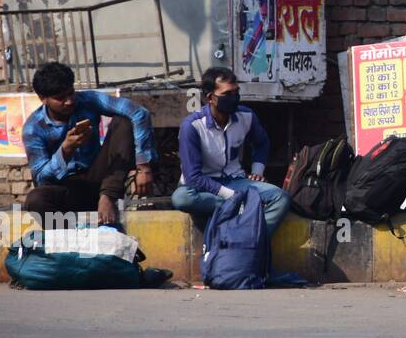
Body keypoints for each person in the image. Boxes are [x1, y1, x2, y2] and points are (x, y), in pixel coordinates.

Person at [22, 61, 156, 227]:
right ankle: (67, 242)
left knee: (124, 121)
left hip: (100, 179)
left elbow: (138, 113)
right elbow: (41, 179)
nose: (69, 101)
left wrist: (144, 167)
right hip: (67, 189)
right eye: (60, 98)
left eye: (70, 93)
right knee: (35, 200)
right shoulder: (33, 128)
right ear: (43, 99)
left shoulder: (87, 100)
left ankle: (107, 198)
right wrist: (65, 150)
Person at [172, 67, 290, 234]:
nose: (234, 98)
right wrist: (232, 197)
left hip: (235, 181)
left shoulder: (246, 116)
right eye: (227, 94)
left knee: (280, 197)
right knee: (181, 198)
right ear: (210, 98)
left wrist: (257, 170)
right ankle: (242, 207)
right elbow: (193, 177)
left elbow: (262, 142)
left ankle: (253, 237)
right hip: (202, 186)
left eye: (236, 92)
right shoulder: (192, 126)